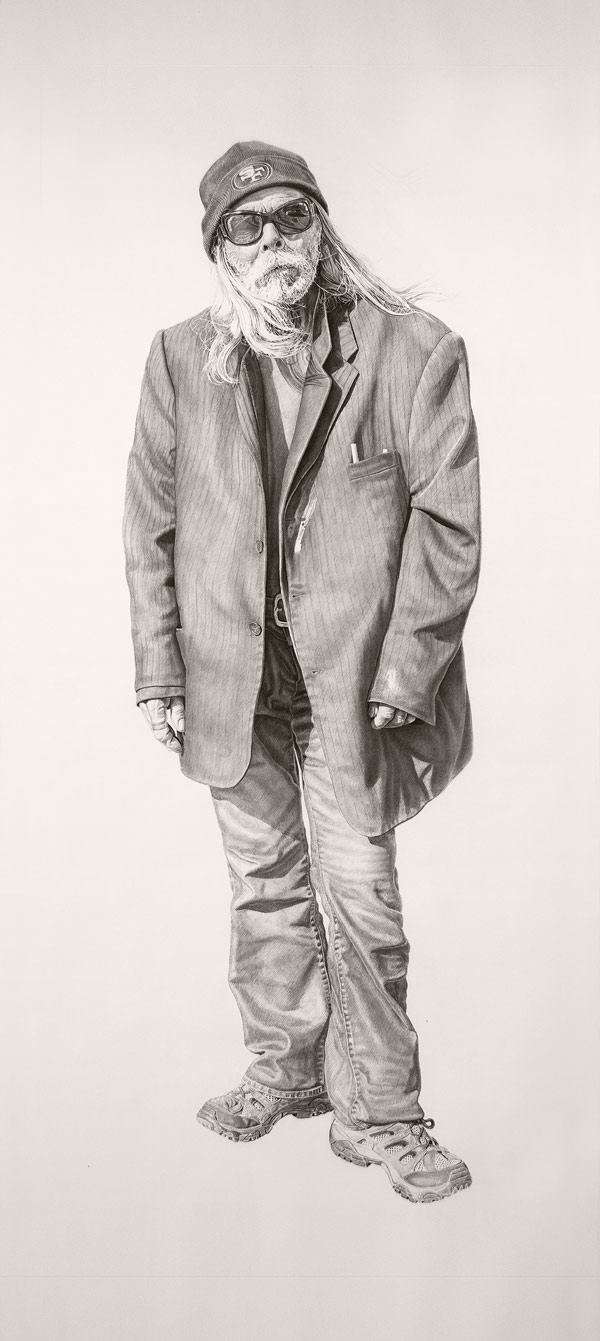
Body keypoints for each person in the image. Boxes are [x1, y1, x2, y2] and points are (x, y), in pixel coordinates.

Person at [122, 140, 481, 1203]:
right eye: (247, 226)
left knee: (360, 898)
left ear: (321, 226)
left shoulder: (415, 349)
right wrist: (159, 670)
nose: (273, 241)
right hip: (229, 682)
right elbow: (150, 524)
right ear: (218, 248)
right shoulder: (179, 358)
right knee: (265, 890)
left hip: (356, 686)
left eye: (292, 217)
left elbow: (449, 527)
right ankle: (286, 1069)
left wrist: (406, 672)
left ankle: (386, 1115)